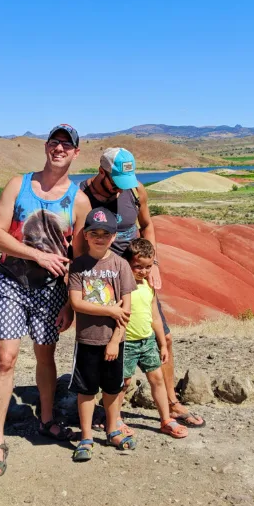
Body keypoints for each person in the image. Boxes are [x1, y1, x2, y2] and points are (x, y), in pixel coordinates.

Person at [0, 124, 91, 477]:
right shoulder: (19, 184)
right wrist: (36, 255)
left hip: (51, 291)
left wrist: (70, 304)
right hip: (11, 282)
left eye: (66, 145)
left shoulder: (79, 201)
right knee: (6, 359)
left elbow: (79, 259)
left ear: (76, 153)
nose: (59, 148)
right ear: (46, 146)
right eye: (54, 142)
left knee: (45, 356)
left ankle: (46, 420)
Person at [77, 147, 205, 428]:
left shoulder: (135, 191)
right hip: (104, 278)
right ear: (102, 172)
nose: (121, 189)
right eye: (116, 182)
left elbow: (147, 225)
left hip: (137, 274)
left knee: (163, 336)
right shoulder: (81, 196)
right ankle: (108, 412)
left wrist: (154, 262)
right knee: (107, 345)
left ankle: (170, 402)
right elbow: (76, 241)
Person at [68, 207, 137, 462]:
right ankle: (86, 436)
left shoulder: (121, 266)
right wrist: (108, 309)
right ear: (85, 235)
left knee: (112, 389)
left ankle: (113, 430)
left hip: (113, 343)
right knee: (86, 390)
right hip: (86, 339)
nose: (100, 237)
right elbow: (76, 302)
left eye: (105, 233)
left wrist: (115, 341)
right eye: (94, 232)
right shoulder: (79, 265)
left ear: (114, 236)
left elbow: (126, 310)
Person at [119, 238, 189, 439]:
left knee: (157, 379)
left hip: (147, 341)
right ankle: (115, 419)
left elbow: (155, 316)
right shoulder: (122, 286)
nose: (143, 271)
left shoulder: (149, 286)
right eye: (137, 266)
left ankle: (166, 420)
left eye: (148, 267)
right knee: (123, 383)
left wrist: (162, 344)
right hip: (128, 343)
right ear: (127, 264)